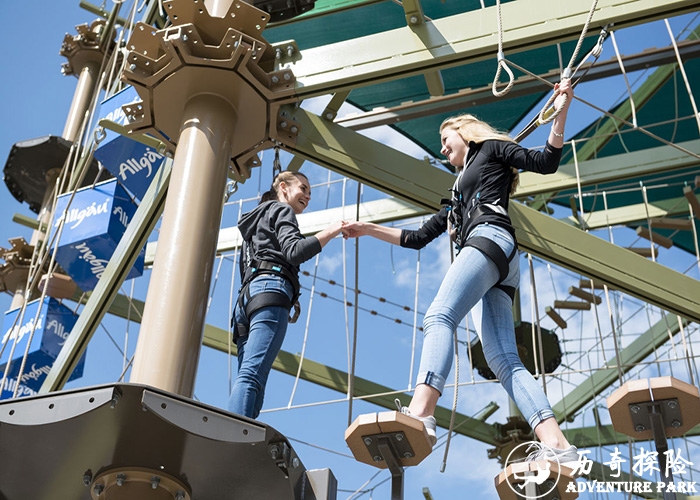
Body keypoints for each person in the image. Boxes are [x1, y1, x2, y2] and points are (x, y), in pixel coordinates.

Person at [342, 79, 578, 465]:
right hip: (500, 257)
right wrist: (366, 228)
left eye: (445, 137)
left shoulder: (490, 150)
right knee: (502, 358)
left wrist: (561, 109)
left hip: (489, 240)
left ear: (464, 131)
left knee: (439, 316)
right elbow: (417, 237)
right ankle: (557, 444)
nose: (441, 146)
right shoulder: (457, 195)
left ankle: (421, 411)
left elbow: (545, 162)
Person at [230, 170, 343, 419]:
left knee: (249, 380)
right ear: (283, 187)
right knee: (252, 375)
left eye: (310, 192)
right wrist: (331, 232)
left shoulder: (253, 223)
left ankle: (239, 426)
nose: (307, 196)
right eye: (303, 188)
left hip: (246, 302)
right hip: (270, 291)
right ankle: (233, 435)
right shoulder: (282, 211)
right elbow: (294, 251)